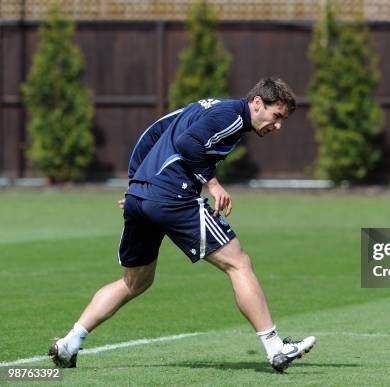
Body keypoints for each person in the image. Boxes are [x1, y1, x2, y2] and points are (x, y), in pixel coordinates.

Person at [48, 77, 315, 373]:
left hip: (142, 196)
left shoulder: (208, 106)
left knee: (135, 281)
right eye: (276, 116)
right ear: (256, 103)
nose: (277, 126)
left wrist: (137, 184)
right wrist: (212, 184)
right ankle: (275, 347)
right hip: (172, 196)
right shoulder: (234, 116)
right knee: (239, 263)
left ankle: (69, 343)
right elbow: (188, 142)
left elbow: (154, 132)